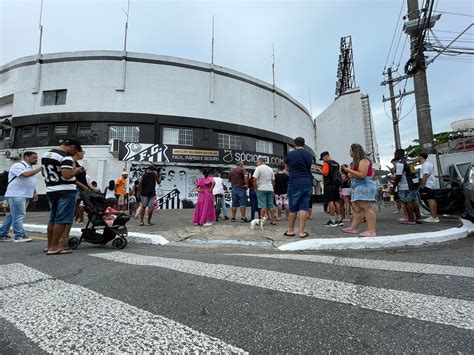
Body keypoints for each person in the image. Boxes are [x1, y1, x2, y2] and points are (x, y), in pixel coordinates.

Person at [42, 138, 84, 255]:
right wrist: (76, 171)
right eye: (75, 151)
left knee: (53, 219)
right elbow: (67, 175)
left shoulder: (47, 154)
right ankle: (55, 247)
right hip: (65, 190)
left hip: (51, 189)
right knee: (62, 219)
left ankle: (50, 245)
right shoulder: (65, 157)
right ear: (73, 147)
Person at [0, 151, 42, 242]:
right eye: (34, 157)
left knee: (13, 215)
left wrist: (34, 192)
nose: (36, 159)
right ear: (27, 157)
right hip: (17, 194)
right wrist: (41, 168)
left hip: (25, 194)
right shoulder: (18, 165)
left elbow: (30, 180)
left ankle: (2, 234)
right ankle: (19, 235)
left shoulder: (30, 167)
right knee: (19, 215)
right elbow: (26, 175)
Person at [341, 144, 377, 237]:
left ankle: (371, 230)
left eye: (350, 150)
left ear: (354, 151)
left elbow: (362, 175)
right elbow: (356, 175)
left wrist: (348, 170)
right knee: (356, 209)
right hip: (357, 186)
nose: (349, 152)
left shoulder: (364, 160)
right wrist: (349, 172)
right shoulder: (356, 162)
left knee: (366, 208)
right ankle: (353, 228)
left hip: (364, 185)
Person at [284, 137, 313, 238]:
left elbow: (287, 167)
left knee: (293, 207)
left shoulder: (290, 154)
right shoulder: (309, 154)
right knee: (304, 207)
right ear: (304, 144)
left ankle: (290, 230)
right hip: (307, 182)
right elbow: (309, 166)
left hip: (294, 182)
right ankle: (301, 232)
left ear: (294, 144)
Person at [392, 148, 422, 225]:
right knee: (413, 201)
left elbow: (398, 176)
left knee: (407, 202)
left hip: (405, 185)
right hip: (414, 183)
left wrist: (394, 186)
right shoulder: (410, 162)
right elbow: (412, 172)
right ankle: (418, 218)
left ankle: (411, 220)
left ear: (399, 154)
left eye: (395, 154)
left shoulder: (400, 164)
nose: (394, 155)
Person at [316, 151, 343, 227]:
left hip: (329, 185)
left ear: (325, 156)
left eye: (323, 159)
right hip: (336, 185)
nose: (323, 160)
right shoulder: (336, 163)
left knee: (330, 202)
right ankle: (339, 220)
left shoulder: (326, 163)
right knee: (336, 202)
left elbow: (325, 173)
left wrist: (320, 170)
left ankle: (332, 221)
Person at [253, 157, 276, 225]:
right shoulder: (270, 169)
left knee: (262, 205)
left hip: (261, 188)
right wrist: (273, 189)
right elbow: (273, 181)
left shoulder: (259, 168)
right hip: (270, 189)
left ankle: (261, 221)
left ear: (260, 161)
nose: (257, 163)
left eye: (257, 162)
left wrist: (255, 188)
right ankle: (273, 220)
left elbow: (254, 179)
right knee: (271, 205)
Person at [418, 152, 439, 222]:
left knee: (430, 200)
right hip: (430, 184)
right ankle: (435, 216)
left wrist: (422, 185)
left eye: (418, 157)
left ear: (421, 157)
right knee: (432, 200)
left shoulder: (425, 165)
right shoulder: (429, 164)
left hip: (427, 184)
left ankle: (433, 217)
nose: (418, 158)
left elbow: (425, 175)